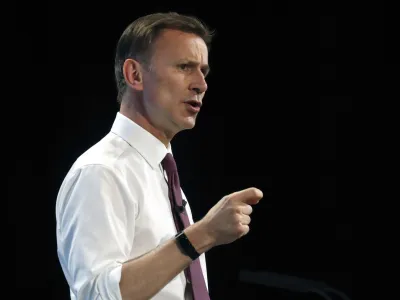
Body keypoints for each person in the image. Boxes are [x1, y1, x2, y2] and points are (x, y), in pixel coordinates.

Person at [55, 12, 263, 300]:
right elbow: (96, 295)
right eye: (184, 67)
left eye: (203, 71)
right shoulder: (101, 171)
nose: (201, 84)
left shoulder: (161, 172)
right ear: (135, 75)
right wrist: (203, 234)